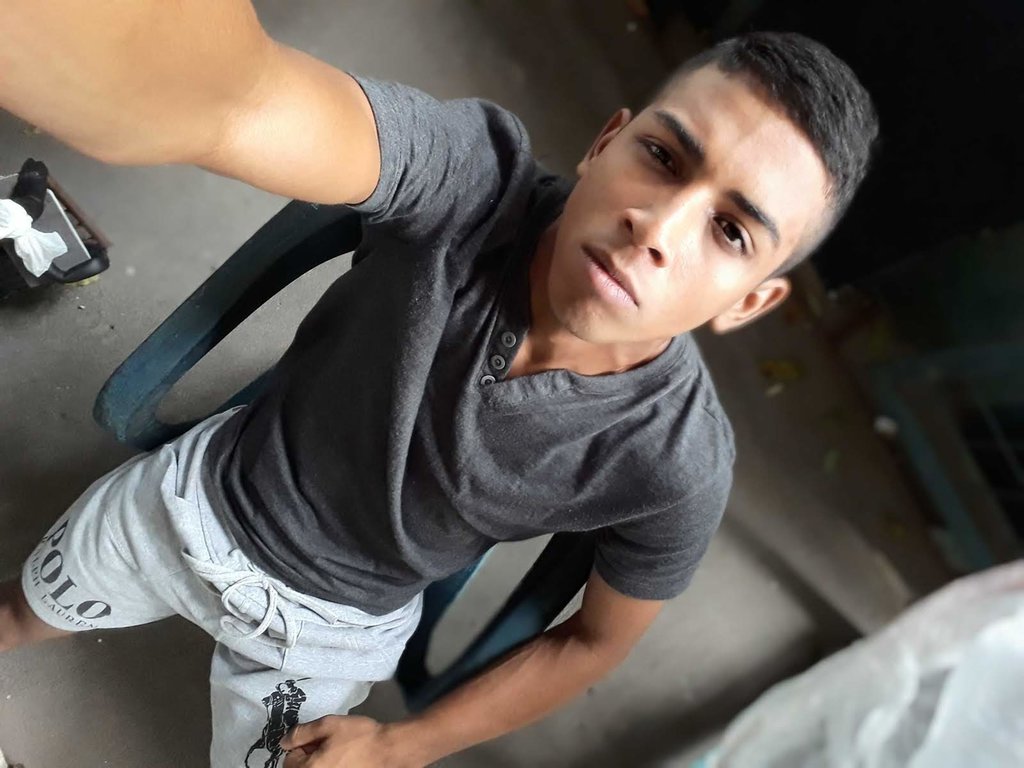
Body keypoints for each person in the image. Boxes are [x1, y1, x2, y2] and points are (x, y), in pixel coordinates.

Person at [0, 3, 878, 766]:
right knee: (19, 612)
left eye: (731, 232)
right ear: (606, 142)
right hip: (191, 497)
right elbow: (248, 101)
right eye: (662, 155)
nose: (659, 227)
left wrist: (402, 745)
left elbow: (593, 641)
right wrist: (165, 79)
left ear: (750, 301)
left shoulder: (677, 466)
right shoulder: (472, 179)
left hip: (336, 635)